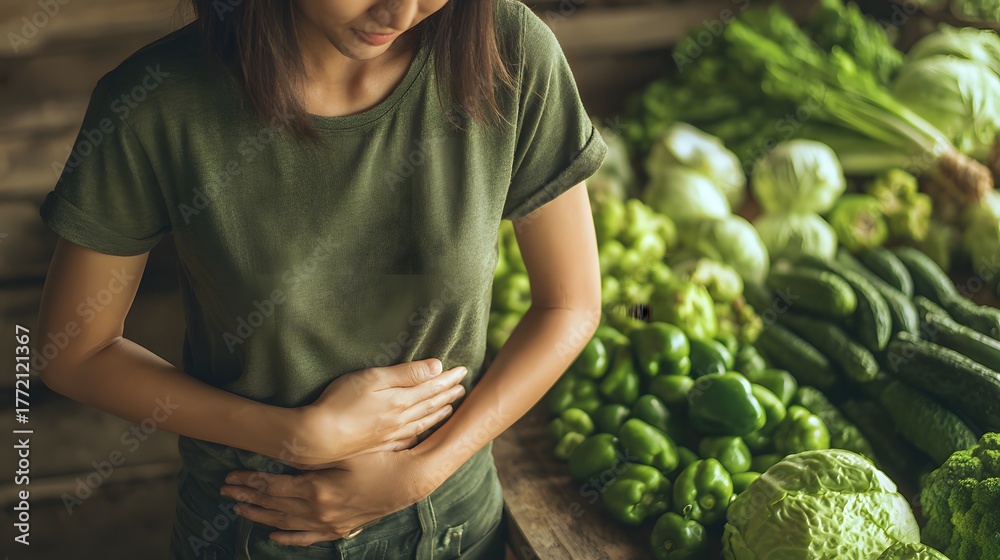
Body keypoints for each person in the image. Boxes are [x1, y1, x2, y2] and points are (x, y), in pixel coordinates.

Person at [35, 0, 607, 556]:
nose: (399, 13)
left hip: (456, 527)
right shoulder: (156, 100)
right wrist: (296, 437)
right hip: (250, 531)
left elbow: (569, 306)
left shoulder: (508, 47)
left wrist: (421, 472)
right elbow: (75, 353)